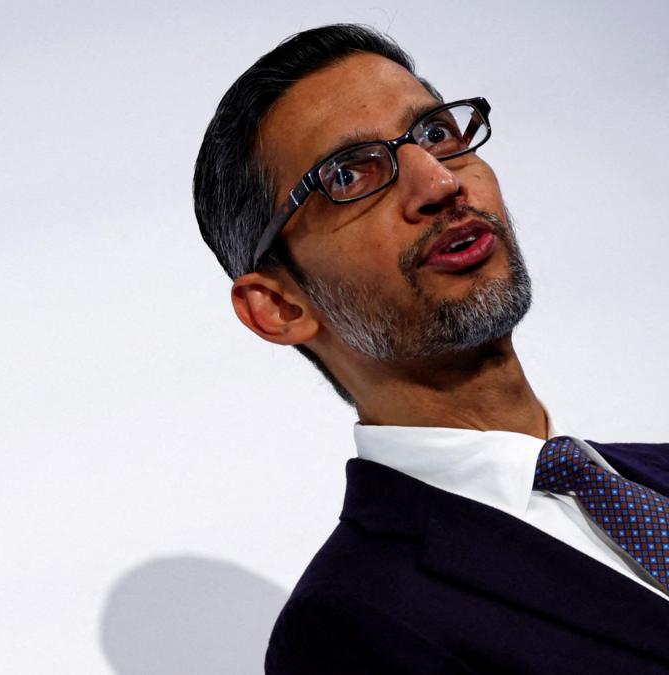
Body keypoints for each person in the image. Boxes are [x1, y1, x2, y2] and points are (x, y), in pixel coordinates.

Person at [193, 23, 669, 673]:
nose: (439, 183)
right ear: (278, 306)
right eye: (350, 173)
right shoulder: (347, 628)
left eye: (436, 134)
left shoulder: (654, 473)